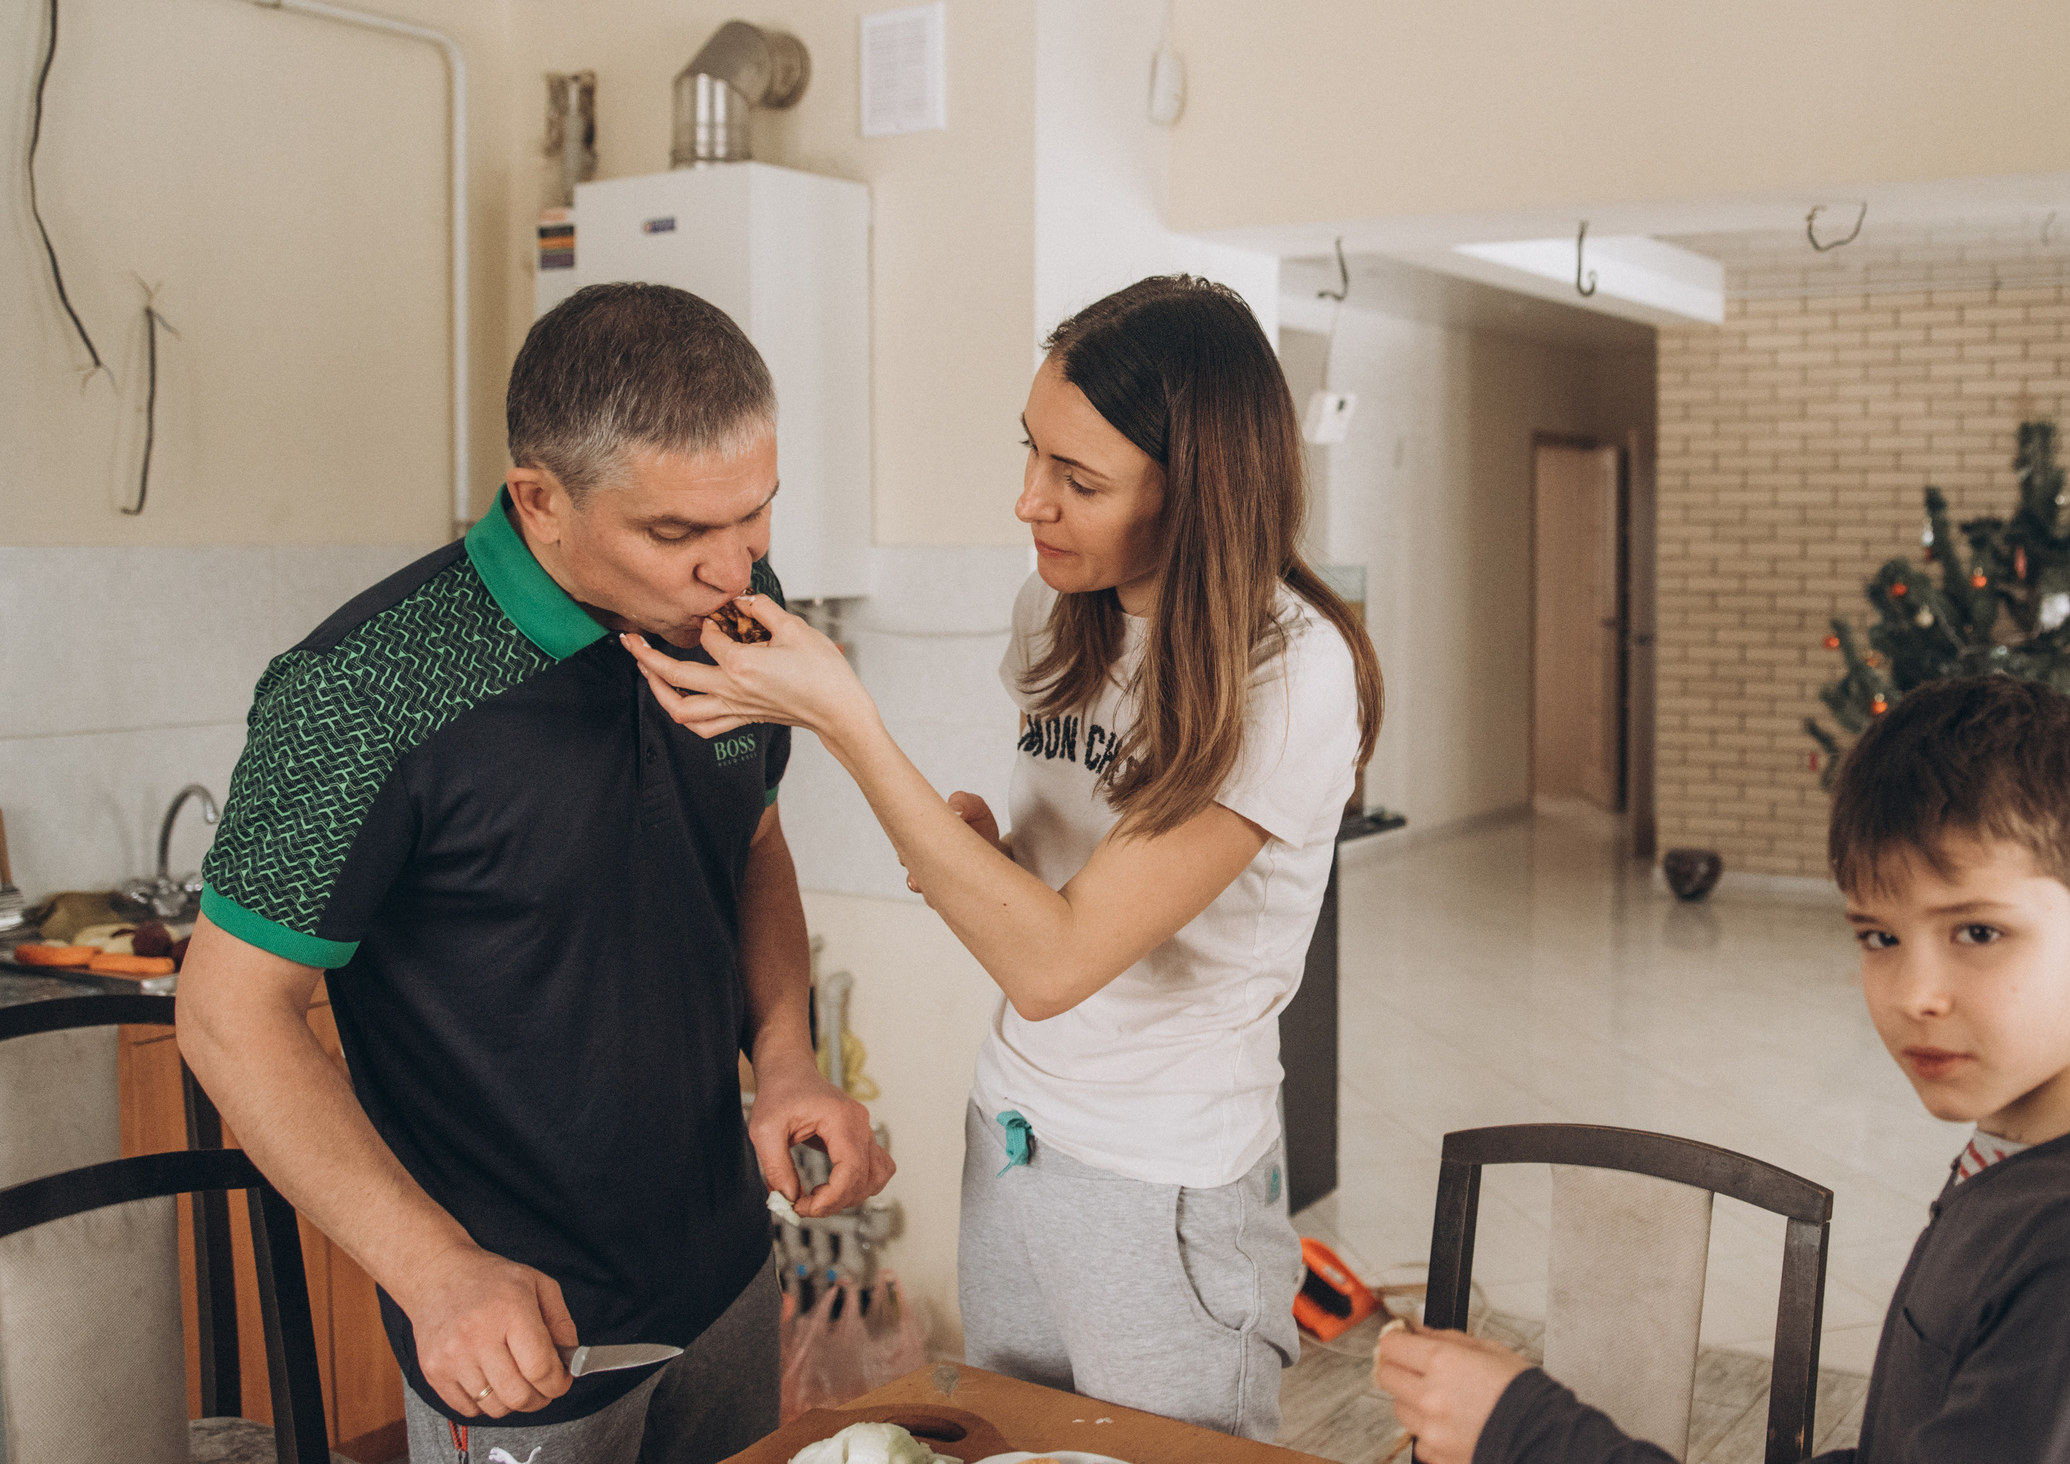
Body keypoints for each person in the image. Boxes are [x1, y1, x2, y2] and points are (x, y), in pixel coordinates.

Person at [625, 274, 1383, 1441]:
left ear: (1200, 493)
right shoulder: (1060, 606)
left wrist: (844, 715)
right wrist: (987, 853)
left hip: (1164, 1178)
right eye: (1033, 452)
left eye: (1079, 481)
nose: (1030, 501)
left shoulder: (1288, 671)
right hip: (1014, 1132)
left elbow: (1056, 959)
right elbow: (1056, 885)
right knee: (1009, 1441)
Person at [177, 284, 892, 1464]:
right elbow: (222, 1013)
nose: (733, 569)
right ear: (540, 500)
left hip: (724, 1271)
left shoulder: (736, 607)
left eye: (755, 515)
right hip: (519, 1329)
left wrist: (785, 1060)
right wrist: (432, 1269)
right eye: (676, 533)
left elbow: (751, 841)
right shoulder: (361, 690)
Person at [1376, 673, 2070, 1464]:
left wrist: (1520, 1431)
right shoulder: (2033, 1155)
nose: (1915, 993)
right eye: (1880, 936)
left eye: (1978, 931)